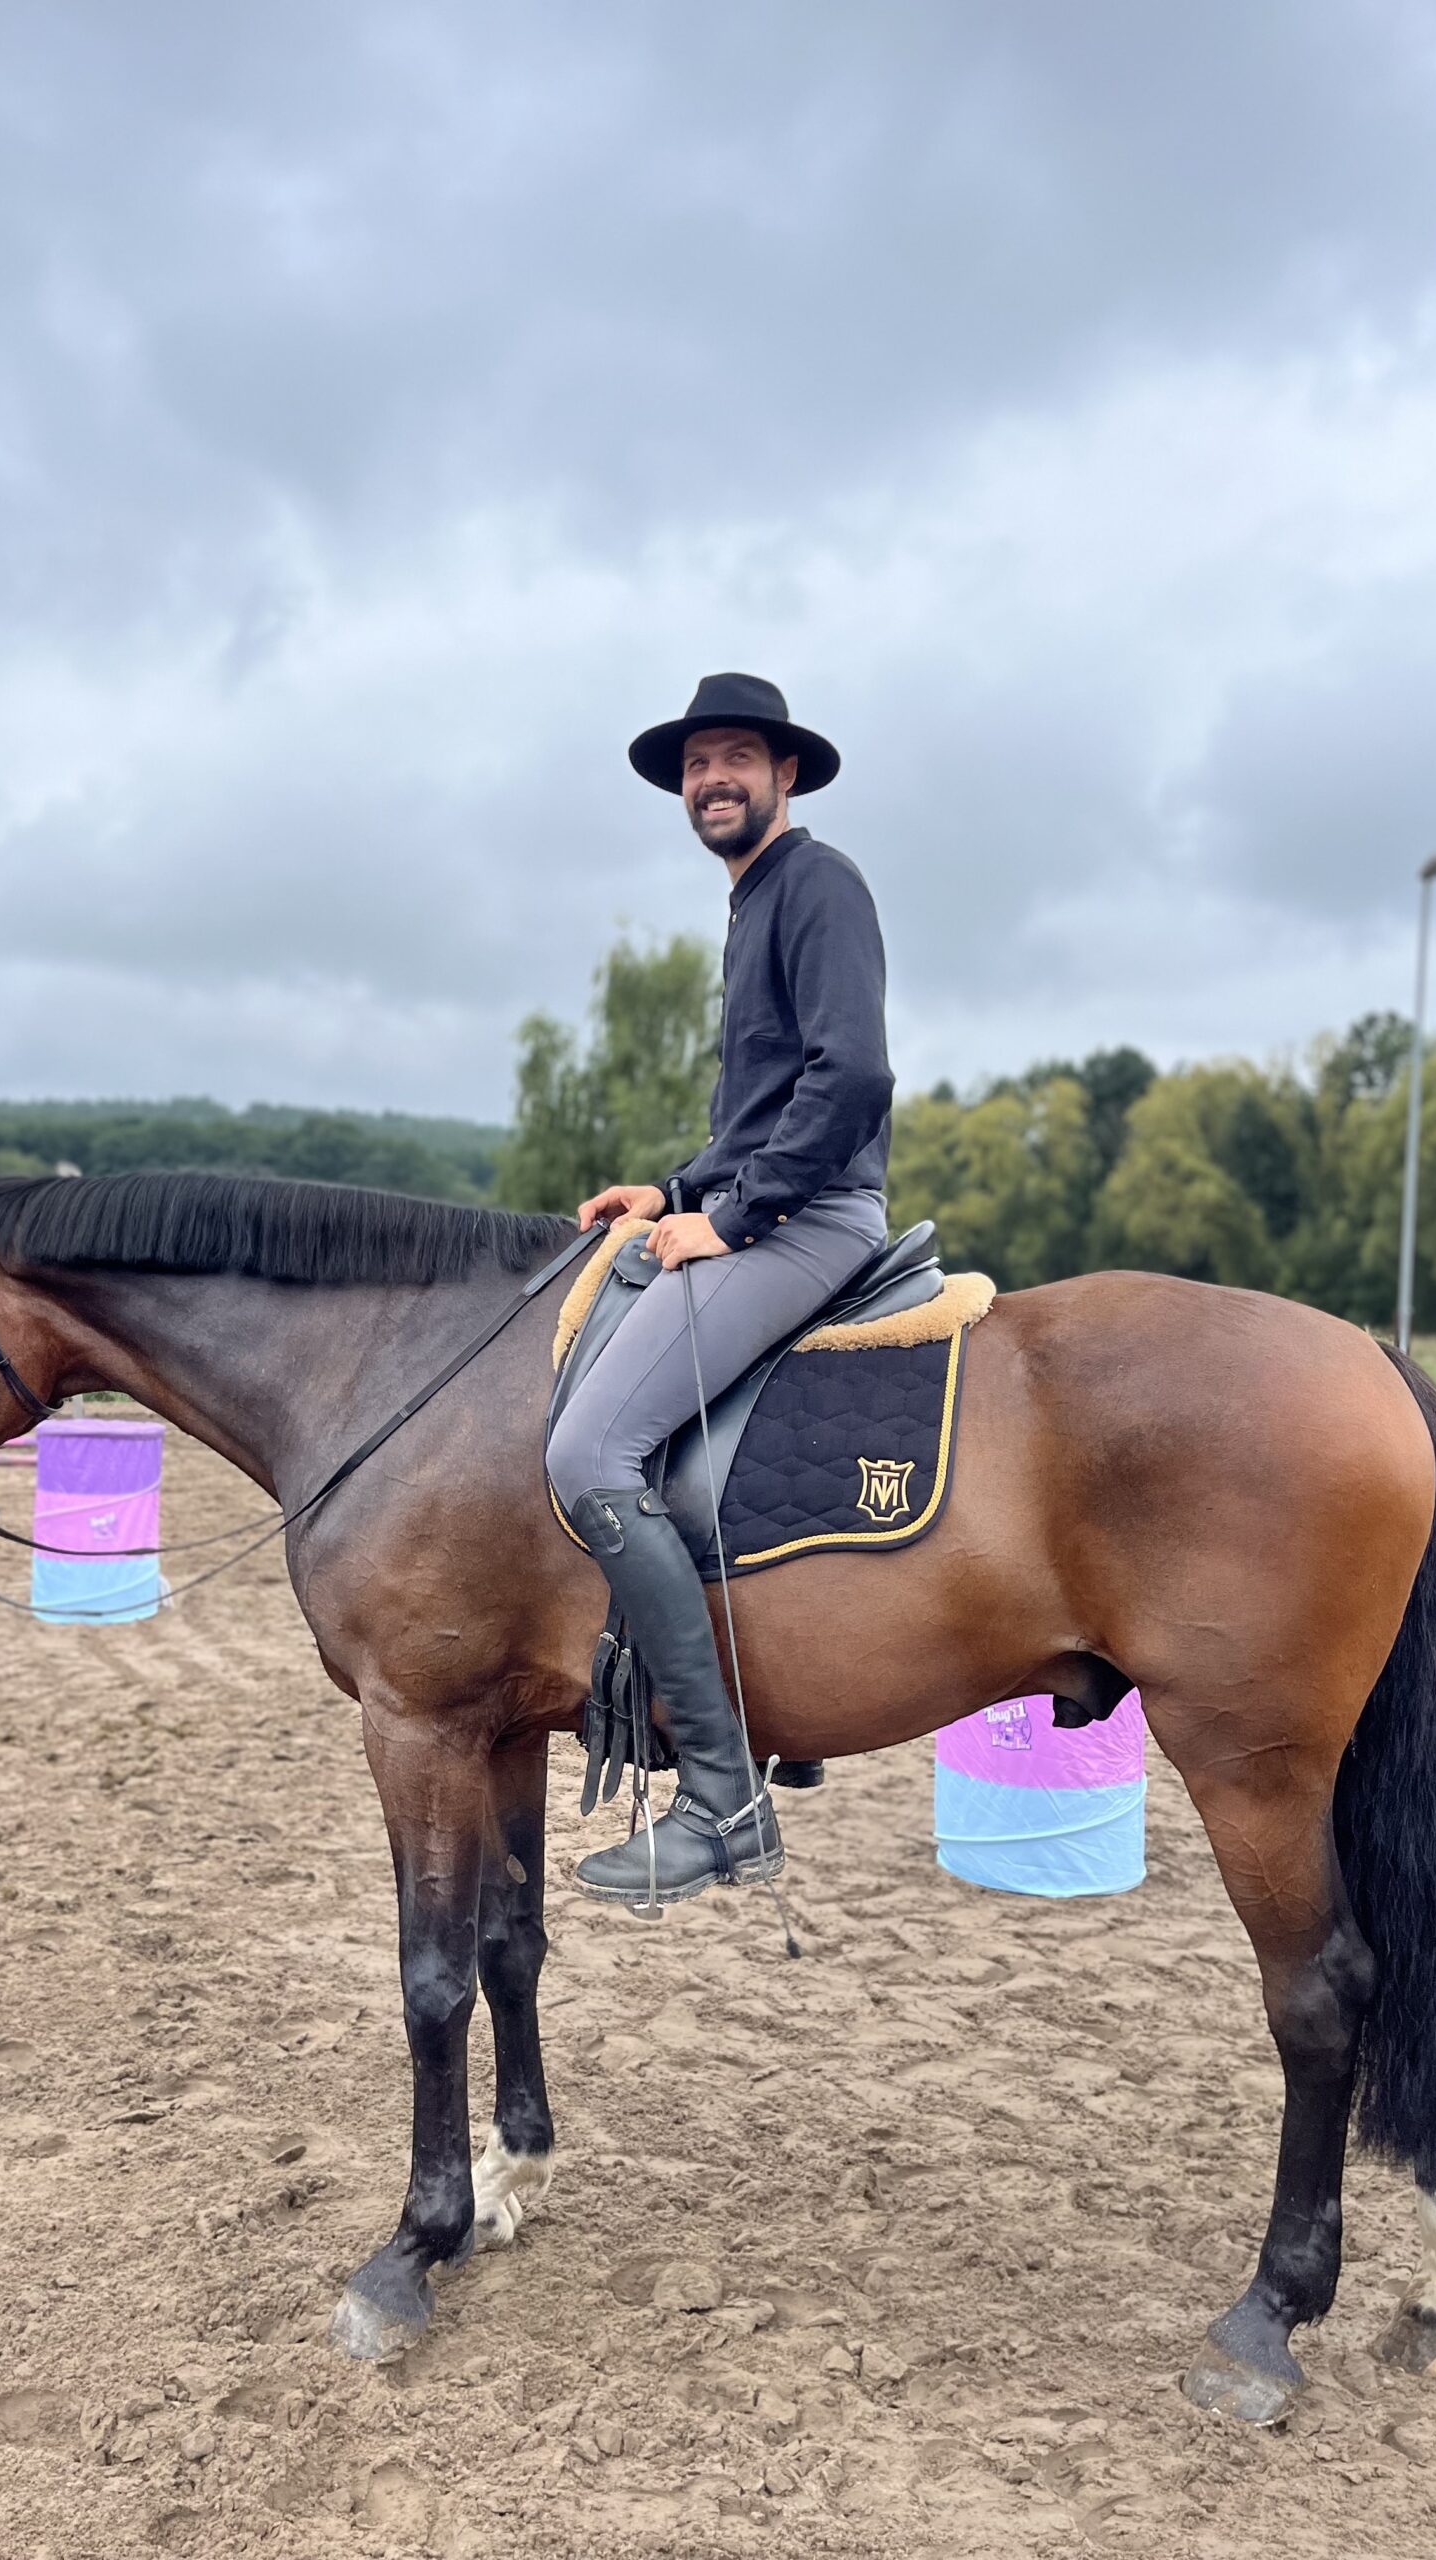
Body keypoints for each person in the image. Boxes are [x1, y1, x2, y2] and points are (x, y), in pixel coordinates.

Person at [547, 672, 895, 1905]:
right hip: (765, 1204)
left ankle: (722, 1795)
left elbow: (852, 1076)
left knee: (588, 1453)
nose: (713, 780)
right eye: (697, 764)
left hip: (811, 1220)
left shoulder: (818, 884)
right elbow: (759, 1110)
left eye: (737, 756)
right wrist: (672, 1190)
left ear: (785, 773)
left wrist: (734, 1219)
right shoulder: (753, 905)